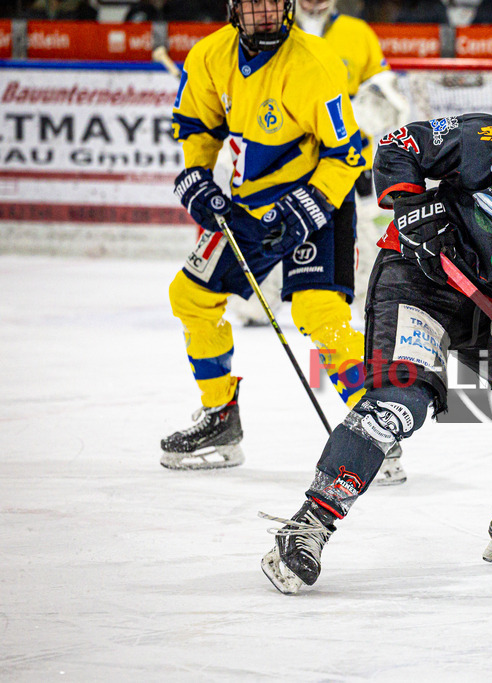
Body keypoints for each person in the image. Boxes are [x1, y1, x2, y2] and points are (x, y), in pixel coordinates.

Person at [260, 75, 492, 594]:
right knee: (400, 402)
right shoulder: (488, 140)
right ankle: (308, 526)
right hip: (418, 279)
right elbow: (398, 145)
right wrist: (412, 209)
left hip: (489, 307)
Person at [160, 0, 368, 470]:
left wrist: (309, 205)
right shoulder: (209, 56)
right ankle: (220, 416)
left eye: (276, 0)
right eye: (255, 2)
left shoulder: (315, 63)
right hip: (250, 203)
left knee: (319, 311)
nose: (267, 11)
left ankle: (373, 427)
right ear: (234, 8)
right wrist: (196, 175)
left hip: (319, 200)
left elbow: (347, 154)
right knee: (191, 297)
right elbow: (197, 126)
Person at [229, 0, 411, 484]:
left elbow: (389, 93)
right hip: (274, 183)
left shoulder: (356, 33)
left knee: (329, 305)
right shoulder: (266, 33)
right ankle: (260, 301)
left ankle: (374, 420)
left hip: (337, 177)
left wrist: (364, 110)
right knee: (256, 291)